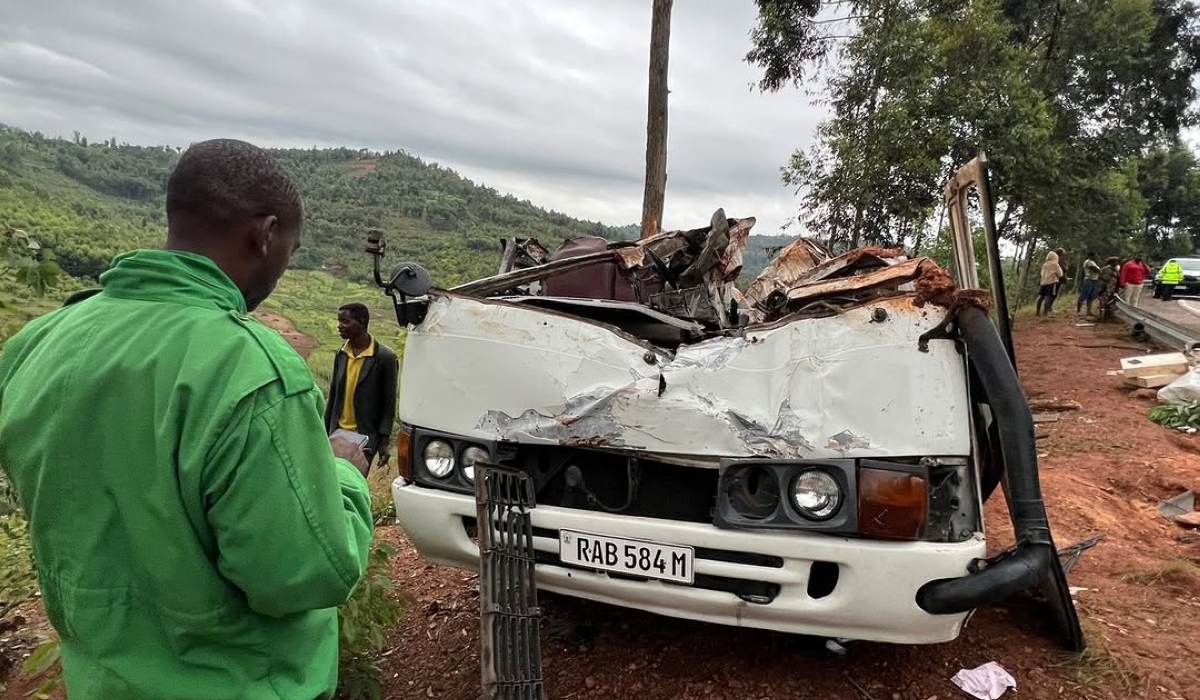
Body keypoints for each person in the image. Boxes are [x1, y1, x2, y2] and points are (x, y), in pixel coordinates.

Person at [0, 139, 374, 700]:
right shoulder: (254, 370)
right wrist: (341, 475)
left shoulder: (37, 342)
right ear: (265, 233)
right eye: (290, 250)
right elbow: (304, 573)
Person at [325, 302, 399, 468]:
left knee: (354, 483)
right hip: (337, 433)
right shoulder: (341, 353)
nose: (339, 326)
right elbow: (334, 396)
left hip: (365, 438)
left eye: (345, 322)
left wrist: (384, 442)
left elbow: (389, 403)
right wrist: (324, 432)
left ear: (362, 322)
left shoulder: (385, 358)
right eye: (339, 321)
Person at [1037, 249, 1064, 316]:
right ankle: (1045, 313)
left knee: (1041, 297)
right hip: (1051, 282)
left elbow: (1041, 273)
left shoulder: (1045, 264)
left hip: (1043, 282)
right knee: (1049, 297)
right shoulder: (1055, 264)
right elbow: (1060, 274)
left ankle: (1037, 312)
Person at [1076, 251, 1101, 315]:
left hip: (1094, 280)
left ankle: (1088, 311)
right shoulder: (1088, 262)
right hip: (1089, 280)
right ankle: (1078, 311)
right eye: (1095, 255)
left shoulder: (1093, 262)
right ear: (1091, 256)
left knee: (1091, 297)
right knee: (1083, 296)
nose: (1096, 257)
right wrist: (1100, 271)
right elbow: (1095, 270)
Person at [1097, 256, 1122, 321]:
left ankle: (1109, 316)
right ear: (1111, 262)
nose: (1117, 263)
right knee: (1103, 302)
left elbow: (1117, 280)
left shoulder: (1115, 269)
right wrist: (1102, 289)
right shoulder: (1106, 269)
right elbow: (1103, 280)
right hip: (1106, 288)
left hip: (1112, 288)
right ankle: (1102, 317)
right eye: (1115, 261)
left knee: (1111, 302)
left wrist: (1117, 288)